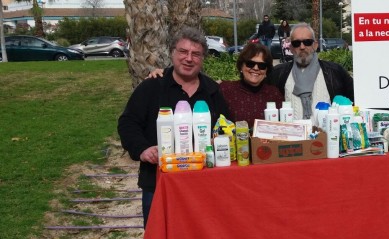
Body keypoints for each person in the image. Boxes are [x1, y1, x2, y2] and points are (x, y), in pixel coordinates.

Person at [117, 26, 227, 228]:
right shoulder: (152, 87)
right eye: (183, 52)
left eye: (196, 54)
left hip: (204, 183)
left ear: (203, 58)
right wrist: (142, 149)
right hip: (159, 183)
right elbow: (128, 122)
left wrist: (218, 139)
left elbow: (226, 126)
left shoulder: (212, 90)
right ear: (172, 53)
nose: (189, 58)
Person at [148, 43, 284, 127]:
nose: (255, 68)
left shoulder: (274, 94)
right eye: (250, 63)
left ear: (267, 70)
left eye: (261, 65)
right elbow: (193, 81)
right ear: (241, 66)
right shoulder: (224, 89)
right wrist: (166, 72)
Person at [268, 23, 354, 120]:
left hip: (327, 132)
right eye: (296, 43)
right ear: (291, 48)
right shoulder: (278, 73)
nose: (302, 47)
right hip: (293, 133)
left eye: (307, 42)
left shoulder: (335, 72)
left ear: (315, 45)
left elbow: (355, 100)